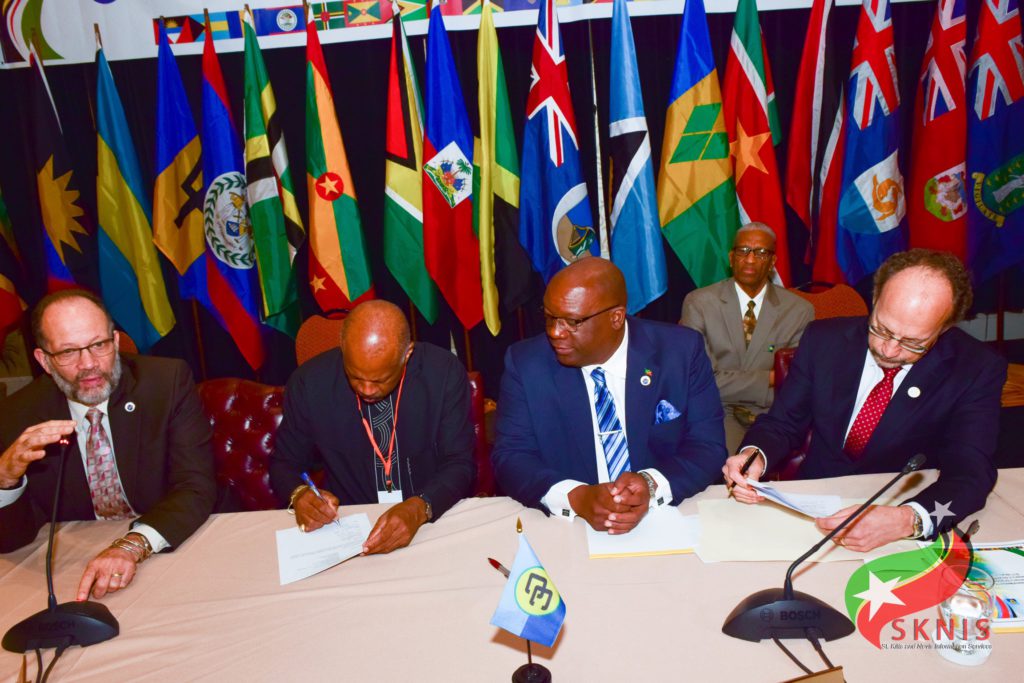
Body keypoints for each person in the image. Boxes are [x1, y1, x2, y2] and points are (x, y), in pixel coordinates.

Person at [723, 249, 1007, 551]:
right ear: (875, 300)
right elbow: (783, 423)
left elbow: (972, 472)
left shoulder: (975, 368)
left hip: (900, 509)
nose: (890, 350)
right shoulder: (823, 340)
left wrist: (908, 520)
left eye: (913, 342)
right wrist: (755, 454)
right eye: (881, 328)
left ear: (945, 327)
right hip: (814, 508)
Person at [0, 290, 216, 600]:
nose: (89, 364)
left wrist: (131, 546)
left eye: (98, 345)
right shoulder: (18, 415)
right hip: (74, 568)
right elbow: (14, 540)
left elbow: (195, 485)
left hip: (167, 541)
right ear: (44, 361)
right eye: (68, 352)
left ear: (115, 342)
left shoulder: (165, 383)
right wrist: (5, 481)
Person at [491, 258, 727, 534]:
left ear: (616, 317)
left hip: (666, 518)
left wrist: (650, 485)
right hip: (569, 528)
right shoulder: (526, 363)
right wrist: (576, 497)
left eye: (572, 321)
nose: (555, 332)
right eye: (550, 317)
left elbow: (707, 446)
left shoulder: (680, 352)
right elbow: (512, 456)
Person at [270, 300, 476, 554]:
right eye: (355, 376)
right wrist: (300, 493)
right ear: (343, 348)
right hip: (349, 526)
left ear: (407, 354)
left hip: (430, 521)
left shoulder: (442, 373)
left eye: (381, 379)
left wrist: (420, 507)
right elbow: (284, 464)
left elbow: (460, 463)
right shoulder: (309, 383)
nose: (366, 390)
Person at [681, 223, 814, 453]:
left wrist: (774, 380)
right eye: (743, 251)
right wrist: (770, 378)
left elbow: (795, 383)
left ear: (773, 262)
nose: (750, 259)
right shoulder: (699, 304)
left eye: (761, 253)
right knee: (724, 471)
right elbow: (701, 382)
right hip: (718, 412)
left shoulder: (799, 310)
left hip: (774, 415)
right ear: (731, 258)